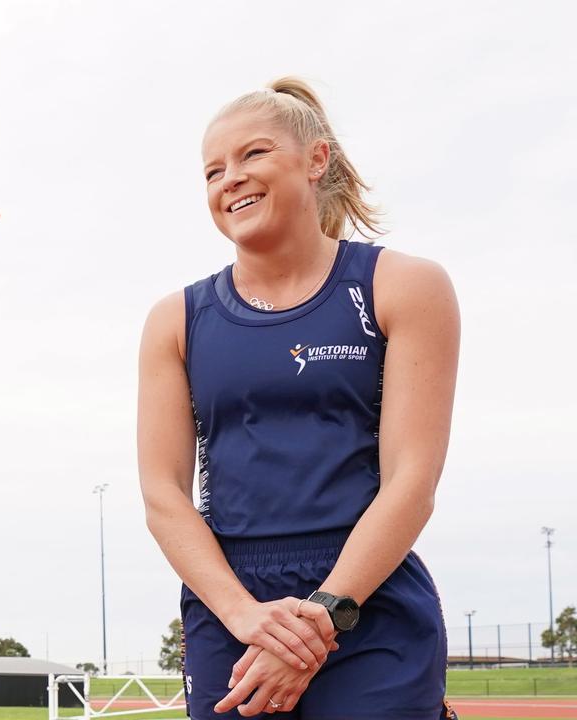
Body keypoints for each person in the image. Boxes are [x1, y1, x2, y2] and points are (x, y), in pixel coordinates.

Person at [137, 78, 459, 718]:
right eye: (212, 170)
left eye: (253, 154)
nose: (230, 178)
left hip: (365, 595)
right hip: (232, 606)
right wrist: (245, 616)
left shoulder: (403, 287)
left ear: (317, 160)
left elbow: (411, 481)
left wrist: (322, 617)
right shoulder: (175, 320)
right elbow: (163, 495)